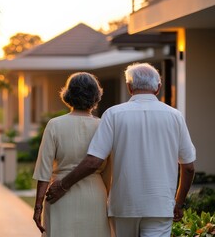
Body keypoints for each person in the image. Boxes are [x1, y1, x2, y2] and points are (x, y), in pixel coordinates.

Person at [46, 63, 196, 237]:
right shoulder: (175, 116)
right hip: (160, 206)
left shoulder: (113, 114)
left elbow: (94, 161)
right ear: (158, 88)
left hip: (124, 206)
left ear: (129, 86)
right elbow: (189, 167)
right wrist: (178, 203)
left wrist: (63, 185)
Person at [32, 72, 111, 236]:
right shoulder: (104, 126)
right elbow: (109, 171)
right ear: (96, 96)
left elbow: (43, 170)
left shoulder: (54, 125)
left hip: (59, 197)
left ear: (68, 95)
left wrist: (38, 205)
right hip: (95, 195)